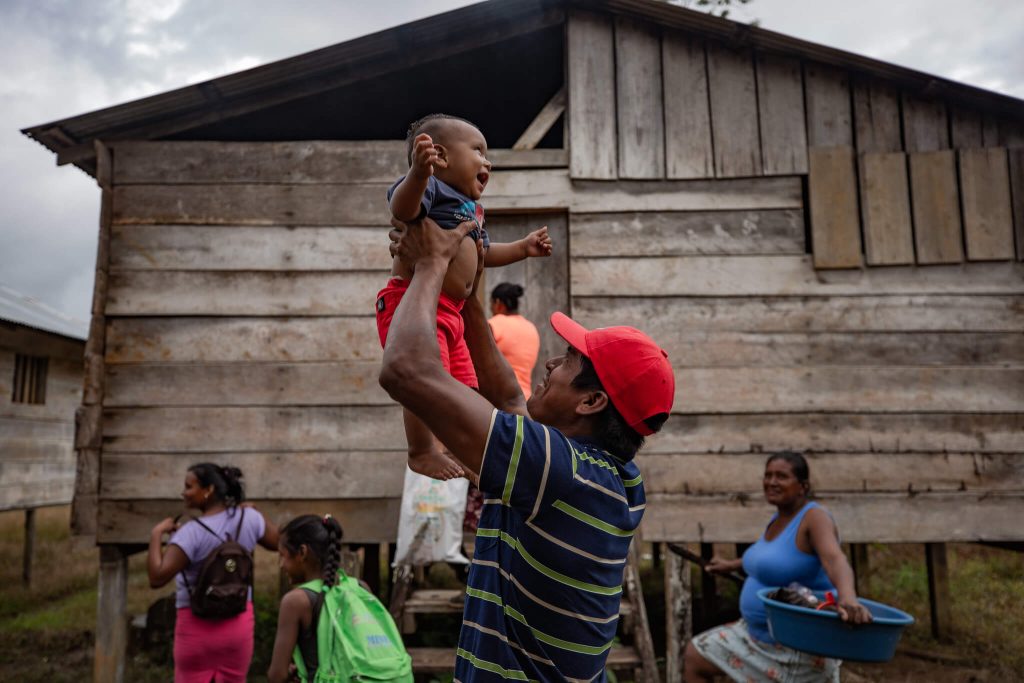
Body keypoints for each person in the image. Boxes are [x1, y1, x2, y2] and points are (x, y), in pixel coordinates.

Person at [379, 215, 675, 681]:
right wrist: (468, 294)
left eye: (570, 359)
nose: (552, 361)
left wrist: (431, 264)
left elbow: (404, 370)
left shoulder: (558, 470)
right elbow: (510, 399)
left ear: (592, 401)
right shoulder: (599, 475)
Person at [378, 113, 553, 481]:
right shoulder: (430, 189)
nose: (487, 161)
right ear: (440, 156)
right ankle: (422, 450)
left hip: (454, 312)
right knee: (424, 377)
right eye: (478, 151)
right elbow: (401, 210)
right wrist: (418, 173)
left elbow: (484, 253)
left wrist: (522, 248)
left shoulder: (470, 211)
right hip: (414, 303)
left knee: (460, 389)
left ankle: (461, 448)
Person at [683, 451, 873, 683]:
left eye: (781, 476)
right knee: (696, 655)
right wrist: (731, 565)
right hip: (755, 637)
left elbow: (835, 560)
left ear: (802, 486)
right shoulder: (779, 518)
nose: (771, 482)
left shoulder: (815, 518)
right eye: (768, 475)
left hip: (796, 646)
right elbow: (770, 559)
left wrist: (848, 598)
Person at [148, 463, 279, 683]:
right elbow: (278, 543)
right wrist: (256, 514)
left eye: (189, 486)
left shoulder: (190, 533)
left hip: (195, 630)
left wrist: (156, 534)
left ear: (208, 490)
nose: (184, 492)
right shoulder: (249, 518)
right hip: (238, 626)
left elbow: (157, 577)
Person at [266, 514, 344, 683]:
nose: (281, 565)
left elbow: (276, 676)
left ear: (302, 552)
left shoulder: (296, 601)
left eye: (283, 555)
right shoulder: (358, 587)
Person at [488, 282, 541, 398]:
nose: (491, 309)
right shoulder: (531, 328)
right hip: (524, 399)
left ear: (497, 303)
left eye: (490, 304)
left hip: (499, 399)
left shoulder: (494, 324)